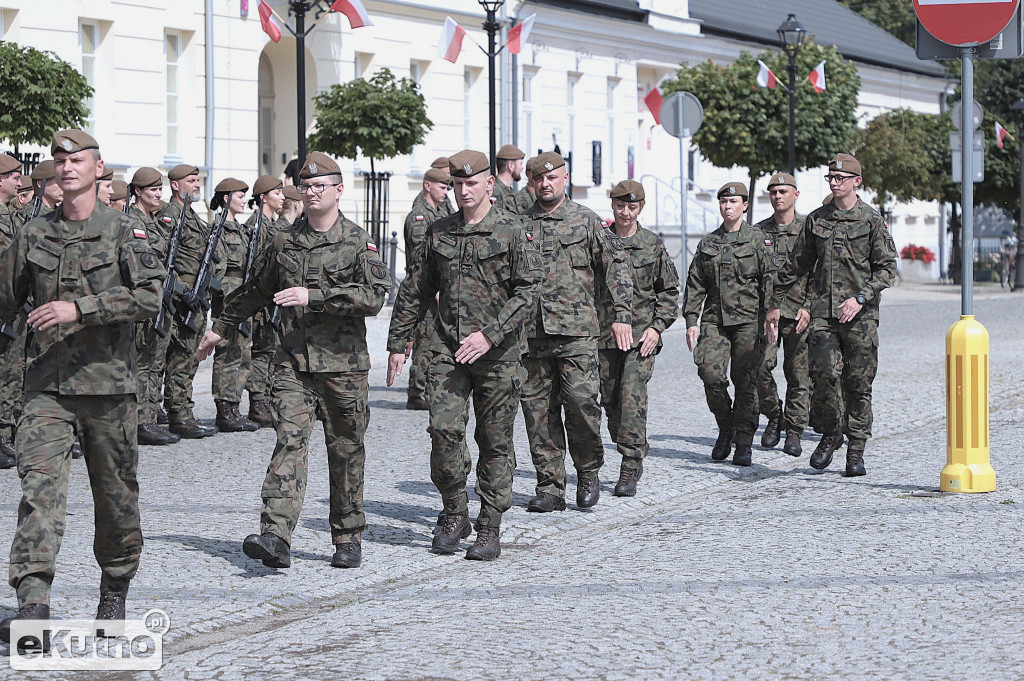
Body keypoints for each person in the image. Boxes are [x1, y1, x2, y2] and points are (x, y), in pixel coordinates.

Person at [0, 130, 164, 641]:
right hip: (46, 388)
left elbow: (150, 298)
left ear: (98, 170)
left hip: (109, 390)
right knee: (39, 494)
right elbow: (4, 301)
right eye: (60, 160)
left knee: (115, 499)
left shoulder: (124, 231)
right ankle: (33, 603)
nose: (67, 167)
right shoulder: (32, 235)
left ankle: (113, 591)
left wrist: (82, 308)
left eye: (78, 160)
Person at [198, 152, 390, 570]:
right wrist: (222, 326)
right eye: (307, 185)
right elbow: (256, 288)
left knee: (345, 450)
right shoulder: (282, 240)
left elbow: (375, 297)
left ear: (339, 190)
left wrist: (314, 296)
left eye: (321, 185)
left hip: (344, 366)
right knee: (289, 441)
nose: (312, 191)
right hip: (293, 364)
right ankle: (276, 535)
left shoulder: (358, 241)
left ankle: (347, 535)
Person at [386, 149, 539, 560]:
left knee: (494, 441)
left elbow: (529, 292)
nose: (464, 190)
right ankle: (455, 511)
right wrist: (397, 342)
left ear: (490, 184)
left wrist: (490, 335)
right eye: (457, 184)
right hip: (447, 349)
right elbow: (416, 288)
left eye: (472, 183)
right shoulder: (439, 232)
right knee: (443, 431)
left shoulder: (512, 230)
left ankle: (490, 523)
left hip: (497, 352)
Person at [766, 154, 897, 477]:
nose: (835, 183)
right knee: (823, 376)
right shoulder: (817, 220)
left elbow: (887, 268)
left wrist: (861, 297)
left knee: (858, 382)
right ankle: (831, 431)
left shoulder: (871, 220)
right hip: (823, 314)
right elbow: (797, 265)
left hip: (860, 317)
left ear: (856, 182)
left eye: (841, 178)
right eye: (831, 178)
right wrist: (774, 303)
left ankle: (856, 450)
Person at [519, 151, 633, 512]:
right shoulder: (518, 224)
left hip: (578, 333)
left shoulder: (586, 221)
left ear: (565, 179)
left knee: (582, 405)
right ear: (531, 182)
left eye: (552, 178)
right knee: (538, 412)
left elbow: (616, 265)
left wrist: (622, 315)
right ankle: (550, 485)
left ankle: (588, 470)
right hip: (532, 335)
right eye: (538, 179)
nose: (545, 184)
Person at [597, 181, 679, 496]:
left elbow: (669, 292)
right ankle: (631, 442)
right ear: (613, 207)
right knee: (611, 403)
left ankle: (630, 464)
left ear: (640, 207)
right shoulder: (599, 242)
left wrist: (657, 327)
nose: (626, 212)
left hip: (641, 337)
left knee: (631, 399)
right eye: (620, 206)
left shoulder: (652, 245)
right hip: (605, 337)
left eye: (632, 207)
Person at [682, 181, 772, 467]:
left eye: (733, 202)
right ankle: (726, 425)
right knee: (711, 376)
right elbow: (695, 283)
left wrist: (772, 315)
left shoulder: (759, 240)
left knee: (746, 382)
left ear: (744, 205)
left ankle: (744, 442)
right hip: (714, 320)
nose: (728, 206)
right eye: (723, 202)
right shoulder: (708, 243)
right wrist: (691, 320)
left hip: (749, 321)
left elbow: (771, 280)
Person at [156, 164, 219, 439]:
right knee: (176, 359)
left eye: (197, 180)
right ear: (175, 185)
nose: (197, 184)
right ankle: (176, 415)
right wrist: (182, 292)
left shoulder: (193, 216)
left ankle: (183, 412)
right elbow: (162, 261)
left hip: (196, 300)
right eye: (191, 181)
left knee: (189, 359)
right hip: (180, 301)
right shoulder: (169, 216)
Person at [754, 173, 811, 456]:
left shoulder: (808, 230)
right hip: (767, 315)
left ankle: (795, 431)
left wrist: (809, 307)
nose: (778, 196)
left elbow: (820, 273)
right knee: (760, 369)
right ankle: (775, 416)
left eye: (783, 191)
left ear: (795, 195)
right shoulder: (758, 232)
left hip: (798, 312)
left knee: (798, 375)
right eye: (773, 192)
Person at [130, 167, 180, 447]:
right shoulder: (133, 221)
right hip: (144, 299)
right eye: (152, 190)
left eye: (160, 189)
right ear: (138, 191)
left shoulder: (154, 221)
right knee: (142, 363)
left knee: (153, 361)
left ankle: (149, 417)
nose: (158, 194)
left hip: (159, 297)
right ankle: (140, 420)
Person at [209, 178, 260, 433]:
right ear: (227, 198)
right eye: (240, 196)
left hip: (244, 294)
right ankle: (224, 407)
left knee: (243, 352)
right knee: (227, 352)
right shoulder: (218, 229)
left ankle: (235, 405)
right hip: (229, 297)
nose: (243, 201)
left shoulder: (240, 229)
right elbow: (216, 269)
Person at [401, 163, 453, 410]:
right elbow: (420, 260)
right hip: (425, 291)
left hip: (438, 289)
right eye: (442, 187)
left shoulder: (437, 211)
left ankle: (429, 389)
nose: (446, 192)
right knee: (424, 342)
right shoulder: (420, 217)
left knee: (435, 342)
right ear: (427, 185)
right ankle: (416, 392)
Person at [243, 175, 288, 427]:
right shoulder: (256, 225)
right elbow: (255, 265)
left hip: (275, 298)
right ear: (263, 197)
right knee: (261, 351)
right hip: (263, 298)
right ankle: (257, 402)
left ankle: (269, 399)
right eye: (277, 193)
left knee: (272, 350)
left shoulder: (274, 224)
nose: (282, 197)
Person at [0, 154, 24, 468]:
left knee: (13, 371)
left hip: (14, 305)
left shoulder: (12, 215)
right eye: (14, 176)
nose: (20, 182)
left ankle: (7, 433)